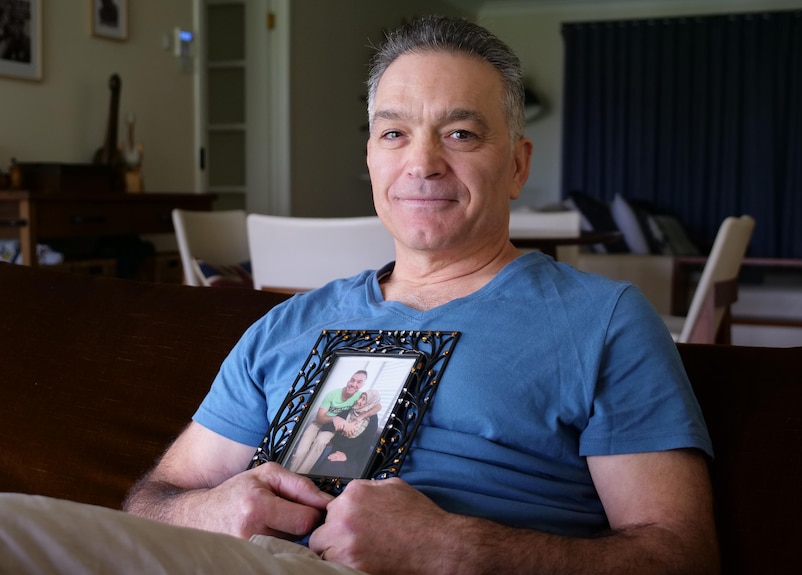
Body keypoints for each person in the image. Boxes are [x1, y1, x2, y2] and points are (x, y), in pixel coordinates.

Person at [1, 15, 719, 575]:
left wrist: (457, 550)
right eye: (395, 133)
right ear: (371, 157)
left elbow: (681, 556)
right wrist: (215, 511)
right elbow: (149, 501)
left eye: (462, 133)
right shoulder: (287, 324)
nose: (423, 162)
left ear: (517, 164)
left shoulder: (603, 322)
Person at [287, 370, 376, 474]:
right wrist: (334, 418)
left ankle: (299, 476)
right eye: (352, 380)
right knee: (300, 453)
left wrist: (359, 418)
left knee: (320, 442)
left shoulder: (360, 397)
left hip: (331, 428)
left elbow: (377, 406)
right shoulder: (332, 394)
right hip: (319, 422)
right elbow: (320, 417)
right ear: (348, 380)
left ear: (363, 385)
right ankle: (289, 474)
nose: (354, 384)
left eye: (359, 382)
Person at [309, 390, 382, 478]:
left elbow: (365, 445)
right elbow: (328, 427)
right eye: (360, 397)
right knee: (327, 468)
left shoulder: (372, 420)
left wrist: (347, 456)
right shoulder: (348, 410)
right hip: (337, 446)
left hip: (352, 454)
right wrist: (338, 421)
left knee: (338, 472)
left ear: (370, 404)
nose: (359, 401)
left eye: (364, 399)